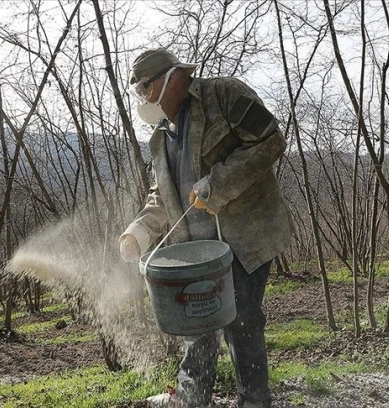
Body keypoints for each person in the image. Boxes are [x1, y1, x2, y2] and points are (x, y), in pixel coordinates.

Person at [119, 48, 294, 408]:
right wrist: (138, 231)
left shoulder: (225, 95)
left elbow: (271, 141)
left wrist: (216, 184)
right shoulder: (160, 137)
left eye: (145, 88)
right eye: (138, 91)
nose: (144, 99)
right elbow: (162, 196)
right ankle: (192, 399)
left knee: (240, 319)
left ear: (174, 78)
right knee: (196, 323)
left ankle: (254, 400)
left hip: (244, 238)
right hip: (198, 250)